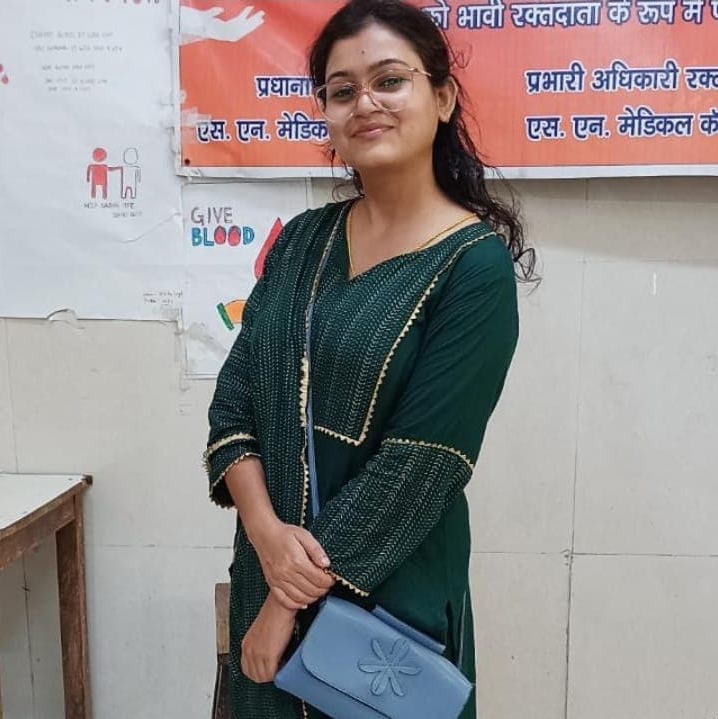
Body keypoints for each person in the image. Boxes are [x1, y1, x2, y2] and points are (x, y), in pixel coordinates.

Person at [203, 1, 535, 717]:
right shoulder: (302, 241)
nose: (365, 104)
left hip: (385, 608)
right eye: (342, 90)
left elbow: (420, 467)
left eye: (389, 81)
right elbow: (234, 404)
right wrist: (266, 540)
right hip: (266, 572)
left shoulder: (471, 268)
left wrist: (286, 604)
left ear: (441, 97)